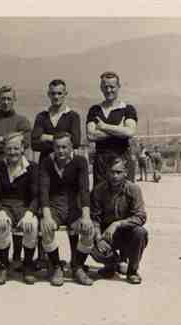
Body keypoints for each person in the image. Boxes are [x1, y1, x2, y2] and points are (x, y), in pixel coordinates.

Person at [39, 132, 94, 286]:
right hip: (54, 206)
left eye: (64, 147)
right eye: (57, 147)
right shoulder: (46, 163)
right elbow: (43, 190)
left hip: (73, 207)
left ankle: (77, 266)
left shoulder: (80, 161)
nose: (61, 151)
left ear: (71, 147)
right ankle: (56, 266)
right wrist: (47, 216)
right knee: (46, 228)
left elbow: (84, 190)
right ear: (53, 148)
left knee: (89, 230)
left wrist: (86, 216)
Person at [91, 154, 148, 284]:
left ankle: (132, 271)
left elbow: (141, 216)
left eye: (118, 172)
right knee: (90, 242)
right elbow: (94, 219)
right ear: (106, 173)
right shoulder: (98, 191)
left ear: (126, 173)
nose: (115, 176)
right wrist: (98, 239)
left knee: (140, 233)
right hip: (107, 235)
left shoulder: (133, 189)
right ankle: (112, 265)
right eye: (112, 172)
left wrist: (117, 224)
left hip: (127, 233)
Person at [0, 132, 39, 285]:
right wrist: (0, 211)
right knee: (1, 223)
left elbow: (37, 195)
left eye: (16, 148)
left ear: (23, 148)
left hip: (25, 206)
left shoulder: (32, 168)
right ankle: (4, 265)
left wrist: (30, 213)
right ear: (4, 150)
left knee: (32, 225)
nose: (12, 152)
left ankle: (28, 265)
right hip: (5, 205)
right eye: (9, 149)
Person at [86, 71, 138, 187]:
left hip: (122, 158)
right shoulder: (95, 110)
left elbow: (130, 132)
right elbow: (91, 135)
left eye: (112, 87)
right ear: (101, 88)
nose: (108, 90)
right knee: (100, 197)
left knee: (124, 197)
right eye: (105, 87)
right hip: (101, 161)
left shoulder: (128, 109)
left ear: (119, 87)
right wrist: (119, 130)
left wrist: (104, 127)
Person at [31, 79, 81, 162]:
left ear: (65, 94)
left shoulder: (73, 116)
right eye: (53, 93)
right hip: (45, 165)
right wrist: (65, 141)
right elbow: (35, 144)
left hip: (67, 165)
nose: (56, 97)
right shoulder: (41, 116)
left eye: (59, 93)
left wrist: (49, 137)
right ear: (48, 94)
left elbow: (75, 143)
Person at [0, 85, 32, 164]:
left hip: (18, 166)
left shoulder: (23, 121)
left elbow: (26, 143)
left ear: (14, 100)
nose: (6, 102)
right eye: (3, 99)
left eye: (9, 99)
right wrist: (15, 138)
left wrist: (2, 139)